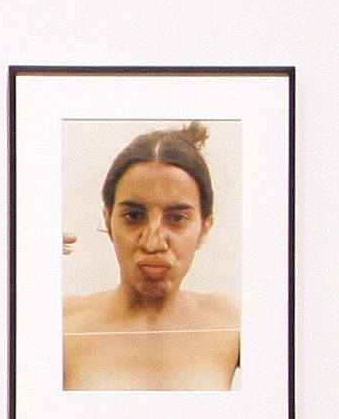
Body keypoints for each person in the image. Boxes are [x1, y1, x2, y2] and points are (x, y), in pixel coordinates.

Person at [62, 122, 238, 390]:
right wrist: (11, 266)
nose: (154, 242)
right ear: (108, 221)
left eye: (177, 218)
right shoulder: (59, 321)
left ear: (204, 228)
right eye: (133, 216)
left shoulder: (234, 323)